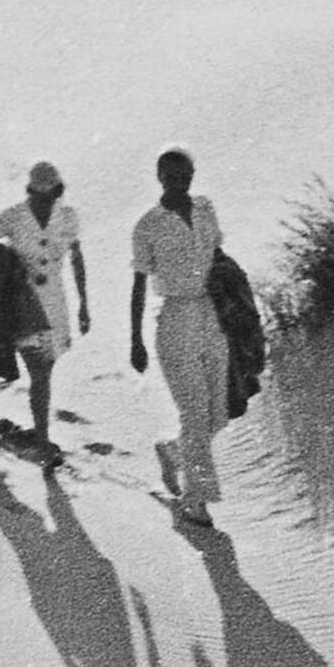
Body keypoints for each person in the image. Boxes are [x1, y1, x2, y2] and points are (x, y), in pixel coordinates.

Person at [129, 147, 227, 529]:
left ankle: (174, 450)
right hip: (174, 318)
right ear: (159, 177)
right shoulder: (148, 225)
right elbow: (138, 284)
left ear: (192, 175)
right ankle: (195, 500)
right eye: (170, 176)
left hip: (212, 314)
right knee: (196, 411)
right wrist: (135, 340)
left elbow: (219, 258)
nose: (178, 183)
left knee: (220, 410)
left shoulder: (205, 209)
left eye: (184, 175)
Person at [0, 159, 87, 465]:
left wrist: (84, 305)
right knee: (40, 373)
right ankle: (42, 442)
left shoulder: (67, 217)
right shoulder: (13, 217)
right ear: (29, 191)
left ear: (58, 192)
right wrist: (9, 265)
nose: (43, 200)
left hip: (55, 303)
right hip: (22, 302)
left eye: (49, 194)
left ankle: (38, 432)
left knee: (46, 372)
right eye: (37, 195)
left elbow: (77, 259)